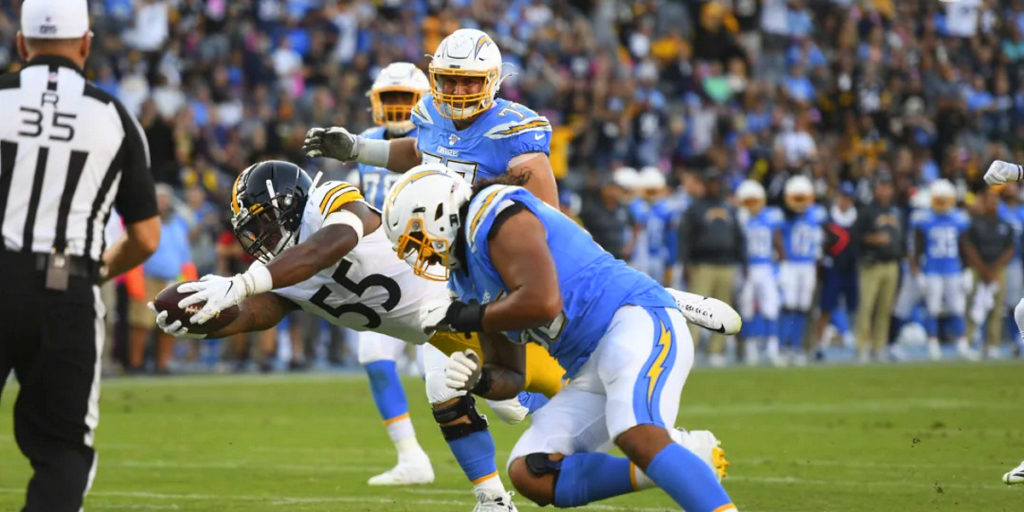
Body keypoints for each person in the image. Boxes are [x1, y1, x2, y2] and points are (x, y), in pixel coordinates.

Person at [150, 161, 566, 512]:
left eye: (262, 219)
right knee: (448, 391)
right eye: (251, 226)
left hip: (465, 298)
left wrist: (242, 282)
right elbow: (258, 313)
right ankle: (494, 500)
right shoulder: (281, 270)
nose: (260, 234)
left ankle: (589, 428)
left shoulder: (326, 200)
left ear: (291, 203)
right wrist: (204, 320)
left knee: (553, 385)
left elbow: (331, 244)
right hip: (439, 334)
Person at [303, 28, 559, 508]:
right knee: (444, 385)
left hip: (492, 277)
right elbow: (416, 153)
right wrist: (357, 149)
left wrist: (517, 282)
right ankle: (492, 498)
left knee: (509, 405)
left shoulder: (514, 132)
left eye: (470, 83)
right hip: (441, 276)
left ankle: (563, 410)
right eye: (449, 81)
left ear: (493, 81)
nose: (459, 92)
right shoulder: (431, 116)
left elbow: (547, 219)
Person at [381, 164, 735, 512]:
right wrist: (478, 379)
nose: (422, 255)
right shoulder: (466, 281)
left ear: (438, 214)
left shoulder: (494, 214)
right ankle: (682, 460)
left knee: (637, 432)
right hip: (587, 364)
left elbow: (543, 302)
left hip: (633, 320)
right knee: (531, 470)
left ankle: (682, 468)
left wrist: (462, 318)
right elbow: (513, 376)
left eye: (419, 240)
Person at [0, 1, 161, 509]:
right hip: (66, 287)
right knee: (63, 452)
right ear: (86, 44)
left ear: (21, 44)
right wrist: (93, 273)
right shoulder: (114, 118)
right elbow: (146, 237)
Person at [352, 61, 434, 485]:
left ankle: (553, 411)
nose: (399, 107)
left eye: (407, 98)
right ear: (375, 102)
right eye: (391, 98)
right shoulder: (362, 145)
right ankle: (411, 457)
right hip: (383, 270)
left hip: (432, 271)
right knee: (372, 355)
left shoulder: (436, 142)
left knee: (450, 373)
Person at [678, 169, 745, 366]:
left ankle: (717, 350)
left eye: (718, 183)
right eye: (711, 183)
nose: (715, 187)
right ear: (706, 186)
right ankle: (690, 349)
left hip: (727, 264)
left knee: (723, 308)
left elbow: (739, 236)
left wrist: (743, 261)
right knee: (695, 308)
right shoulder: (695, 208)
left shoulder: (729, 208)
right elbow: (685, 237)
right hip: (702, 263)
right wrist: (685, 263)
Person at [127, 184, 193, 373]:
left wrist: (188, 280)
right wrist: (135, 278)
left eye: (166, 199)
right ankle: (136, 364)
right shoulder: (145, 221)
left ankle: (163, 364)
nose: (163, 204)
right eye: (160, 200)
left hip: (171, 281)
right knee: (141, 323)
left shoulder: (178, 223)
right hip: (148, 278)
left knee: (169, 324)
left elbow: (185, 255)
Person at [909, 179, 974, 360]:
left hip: (953, 269)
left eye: (946, 200)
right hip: (932, 270)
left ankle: (962, 343)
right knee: (933, 307)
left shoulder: (959, 219)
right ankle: (932, 343)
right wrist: (918, 273)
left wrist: (967, 270)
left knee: (957, 307)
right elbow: (917, 247)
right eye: (940, 200)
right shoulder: (924, 219)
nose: (943, 204)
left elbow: (964, 247)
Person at [853, 173, 904, 362]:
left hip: (892, 264)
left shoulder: (896, 211)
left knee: (885, 309)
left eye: (888, 186)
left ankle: (879, 347)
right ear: (875, 189)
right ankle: (861, 347)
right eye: (881, 186)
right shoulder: (867, 211)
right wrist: (873, 239)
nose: (884, 190)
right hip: (871, 264)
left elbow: (901, 237)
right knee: (866, 307)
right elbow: (855, 237)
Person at [735, 179, 784, 366]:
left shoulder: (771, 216)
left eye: (755, 200)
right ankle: (751, 349)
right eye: (748, 201)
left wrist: (781, 263)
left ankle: (772, 348)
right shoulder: (740, 218)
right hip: (747, 267)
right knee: (747, 308)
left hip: (766, 266)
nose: (752, 205)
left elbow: (778, 241)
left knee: (770, 306)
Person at [778, 175, 826, 365]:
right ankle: (782, 346)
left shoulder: (818, 214)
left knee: (803, 307)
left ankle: (796, 346)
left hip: (808, 265)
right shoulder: (784, 215)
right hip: (790, 264)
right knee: (788, 305)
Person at [963, 187, 1014, 359]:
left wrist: (994, 268)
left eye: (995, 199)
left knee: (997, 308)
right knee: (974, 307)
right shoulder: (975, 223)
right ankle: (970, 342)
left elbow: (1010, 249)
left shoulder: (1004, 224)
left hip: (998, 270)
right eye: (989, 199)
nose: (993, 202)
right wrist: (984, 270)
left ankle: (993, 344)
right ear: (983, 202)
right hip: (979, 269)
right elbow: (969, 247)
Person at [815, 182, 858, 360]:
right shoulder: (827, 219)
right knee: (826, 307)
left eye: (848, 198)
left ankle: (856, 341)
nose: (845, 202)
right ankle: (819, 345)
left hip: (851, 267)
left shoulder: (857, 218)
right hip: (833, 267)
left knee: (854, 307)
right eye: (842, 197)